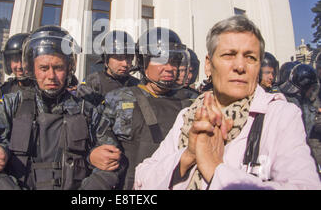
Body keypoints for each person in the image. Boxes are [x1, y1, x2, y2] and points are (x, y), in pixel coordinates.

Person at [134, 15, 321, 190]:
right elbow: (142, 179)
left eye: (250, 57)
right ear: (208, 64)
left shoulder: (281, 115)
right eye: (229, 55)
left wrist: (216, 171)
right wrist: (187, 155)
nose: (240, 66)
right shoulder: (188, 116)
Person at [0, 25, 112, 190]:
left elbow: (112, 159)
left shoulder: (86, 110)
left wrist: (91, 158)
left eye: (58, 68)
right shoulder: (10, 106)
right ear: (32, 69)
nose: (51, 76)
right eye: (44, 68)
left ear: (69, 69)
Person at [91, 27, 192, 190]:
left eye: (173, 61)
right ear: (142, 62)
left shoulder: (192, 102)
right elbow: (104, 157)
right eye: (160, 60)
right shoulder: (118, 100)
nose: (169, 68)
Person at [77, 30, 140, 106]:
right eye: (119, 57)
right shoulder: (92, 84)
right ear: (106, 59)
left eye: (128, 58)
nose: (125, 64)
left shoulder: (138, 85)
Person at [279, 63, 321, 173]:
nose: (312, 92)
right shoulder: (289, 104)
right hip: (290, 159)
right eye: (311, 89)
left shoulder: (305, 102)